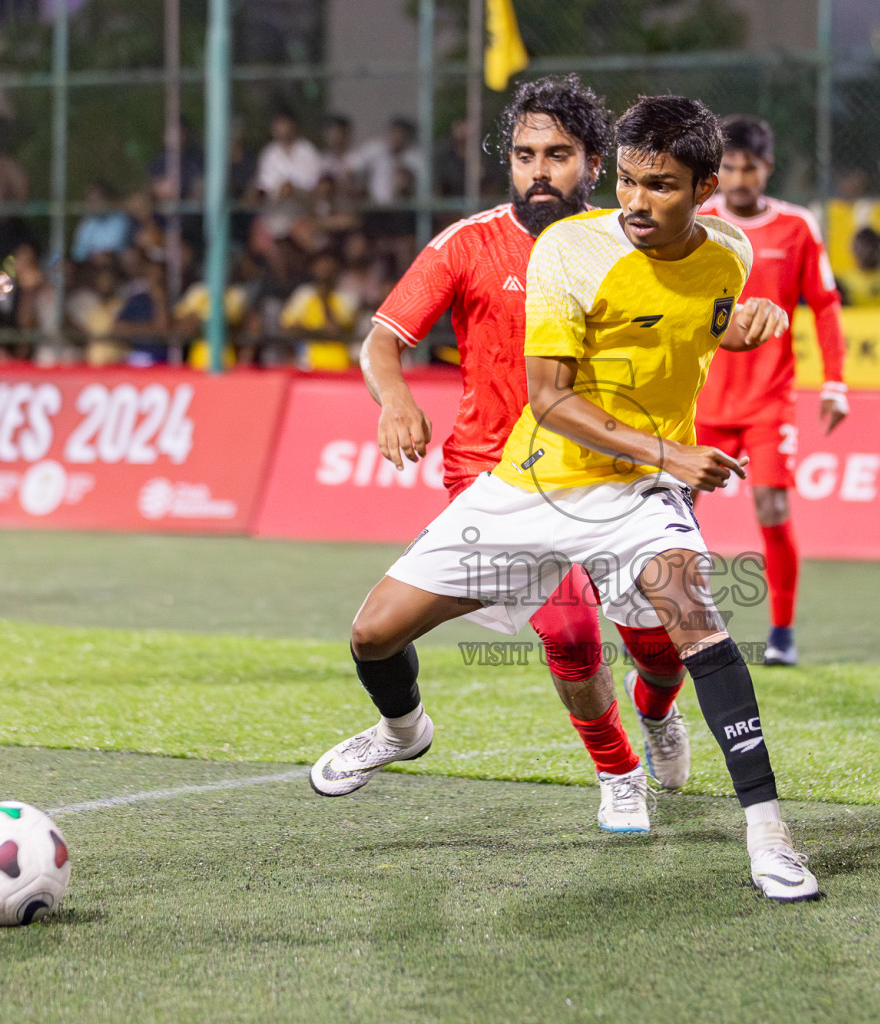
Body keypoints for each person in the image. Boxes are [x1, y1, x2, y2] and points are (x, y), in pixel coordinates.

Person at [311, 94, 820, 901]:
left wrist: (741, 322)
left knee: (689, 627)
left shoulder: (729, 248)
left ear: (704, 187)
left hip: (636, 487)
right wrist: (674, 452)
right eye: (630, 181)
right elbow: (544, 397)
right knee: (375, 633)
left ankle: (769, 835)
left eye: (658, 185)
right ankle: (416, 734)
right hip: (524, 477)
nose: (638, 200)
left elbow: (695, 313)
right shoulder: (560, 252)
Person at [350, 75, 688, 835]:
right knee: (568, 631)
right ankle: (618, 772)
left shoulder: (630, 243)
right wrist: (397, 398)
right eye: (525, 154)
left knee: (657, 648)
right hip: (494, 478)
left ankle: (657, 712)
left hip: (607, 474)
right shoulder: (467, 243)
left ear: (593, 163)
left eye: (558, 155)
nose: (539, 171)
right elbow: (381, 341)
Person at [695, 114, 848, 666]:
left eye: (749, 167)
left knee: (772, 504)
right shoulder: (698, 222)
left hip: (767, 398)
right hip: (700, 396)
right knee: (675, 510)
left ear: (768, 168)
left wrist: (835, 383)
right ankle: (677, 625)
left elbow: (825, 307)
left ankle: (781, 633)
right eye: (730, 167)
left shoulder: (797, 227)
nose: (739, 178)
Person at [279, 249, 357, 371]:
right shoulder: (303, 295)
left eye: (328, 264)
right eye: (320, 264)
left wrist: (324, 300)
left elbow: (334, 331)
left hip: (339, 363)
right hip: (308, 362)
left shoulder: (346, 297)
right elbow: (287, 327)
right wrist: (316, 331)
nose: (324, 268)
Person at [256, 111, 323, 199]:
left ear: (293, 126)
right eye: (278, 125)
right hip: (275, 205)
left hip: (304, 203)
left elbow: (315, 180)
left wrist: (293, 189)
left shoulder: (307, 150)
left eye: (284, 124)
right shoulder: (269, 153)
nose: (281, 129)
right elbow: (264, 184)